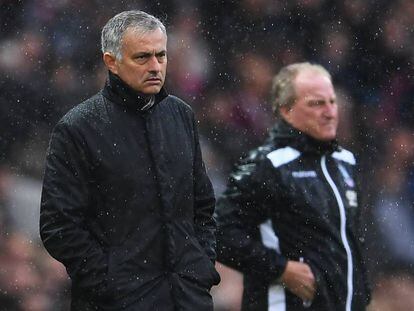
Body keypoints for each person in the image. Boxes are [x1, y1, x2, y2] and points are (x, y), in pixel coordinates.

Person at [39, 10, 220, 311]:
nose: (155, 67)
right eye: (142, 57)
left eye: (161, 56)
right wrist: (111, 282)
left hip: (187, 298)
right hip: (117, 302)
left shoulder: (181, 115)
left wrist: (199, 267)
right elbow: (58, 225)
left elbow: (203, 206)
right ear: (111, 61)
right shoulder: (78, 128)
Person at [215, 62, 371, 310]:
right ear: (286, 110)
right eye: (316, 103)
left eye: (332, 102)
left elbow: (350, 245)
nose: (330, 112)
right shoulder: (266, 165)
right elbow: (218, 233)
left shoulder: (345, 163)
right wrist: (281, 269)